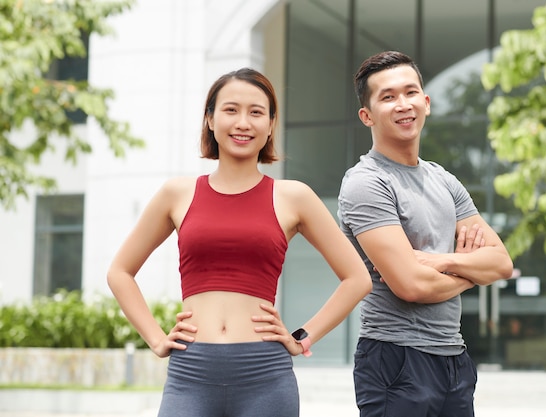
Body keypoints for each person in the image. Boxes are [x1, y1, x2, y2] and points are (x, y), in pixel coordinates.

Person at [107, 67, 372, 417]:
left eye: (256, 112)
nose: (243, 123)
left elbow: (358, 279)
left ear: (271, 124)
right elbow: (120, 272)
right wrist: (156, 339)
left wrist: (302, 337)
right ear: (211, 120)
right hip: (191, 375)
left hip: (265, 377)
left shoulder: (293, 197)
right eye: (231, 110)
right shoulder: (177, 194)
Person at [337, 50, 514, 417]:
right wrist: (470, 270)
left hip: (454, 357)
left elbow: (500, 263)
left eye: (410, 92)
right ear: (366, 115)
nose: (403, 104)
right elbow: (412, 286)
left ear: (426, 102)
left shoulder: (444, 180)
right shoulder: (367, 183)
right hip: (396, 359)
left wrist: (446, 260)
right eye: (388, 97)